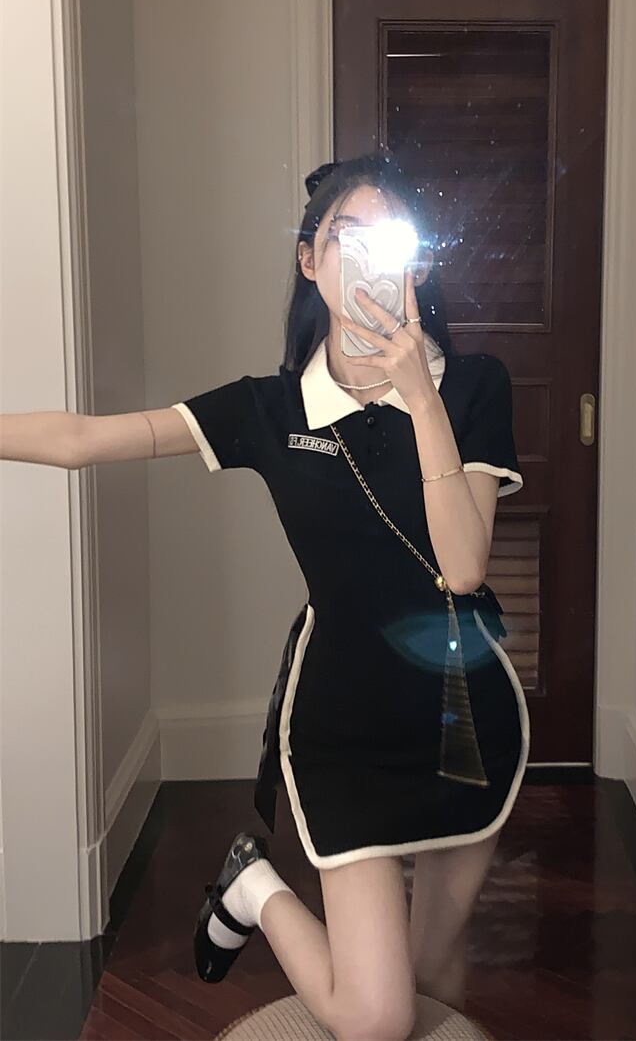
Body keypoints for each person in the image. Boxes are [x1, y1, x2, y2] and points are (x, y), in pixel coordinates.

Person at [0, 152, 529, 1041]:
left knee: (437, 972)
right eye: (346, 237)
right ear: (309, 259)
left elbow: (465, 564)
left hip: (462, 713)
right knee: (376, 1017)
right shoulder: (271, 409)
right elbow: (88, 439)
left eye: (390, 240)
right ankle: (253, 886)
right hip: (344, 726)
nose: (368, 259)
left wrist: (419, 396)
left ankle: (267, 893)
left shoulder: (475, 385)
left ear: (419, 262)